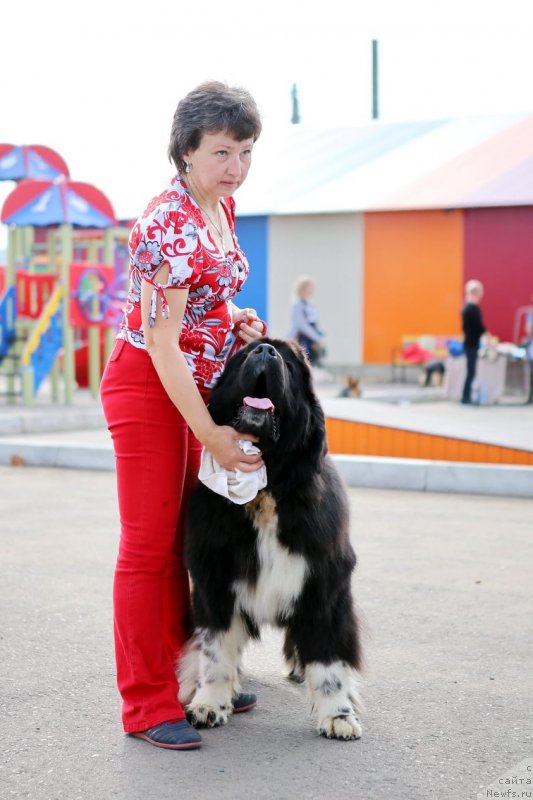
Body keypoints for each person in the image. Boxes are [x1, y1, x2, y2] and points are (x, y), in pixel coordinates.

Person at [100, 81, 266, 751]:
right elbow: (161, 339)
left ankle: (196, 676)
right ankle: (145, 705)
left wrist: (235, 319)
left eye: (246, 152)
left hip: (191, 384)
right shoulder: (166, 219)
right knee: (149, 550)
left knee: (183, 543)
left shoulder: (220, 208)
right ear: (185, 151)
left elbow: (203, 302)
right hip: (149, 386)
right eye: (222, 152)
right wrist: (213, 437)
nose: (235, 167)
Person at [287, 275, 325, 365]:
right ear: (303, 288)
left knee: (313, 363)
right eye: (310, 287)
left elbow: (315, 322)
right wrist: (316, 337)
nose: (312, 290)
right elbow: (300, 324)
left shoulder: (310, 304)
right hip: (301, 339)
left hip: (311, 340)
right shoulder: (297, 304)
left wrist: (319, 338)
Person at [461, 279, 487, 404]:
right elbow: (479, 327)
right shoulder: (471, 308)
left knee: (471, 371)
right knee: (471, 372)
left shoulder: (467, 307)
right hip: (471, 344)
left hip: (471, 343)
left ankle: (466, 396)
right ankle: (465, 397)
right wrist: (488, 336)